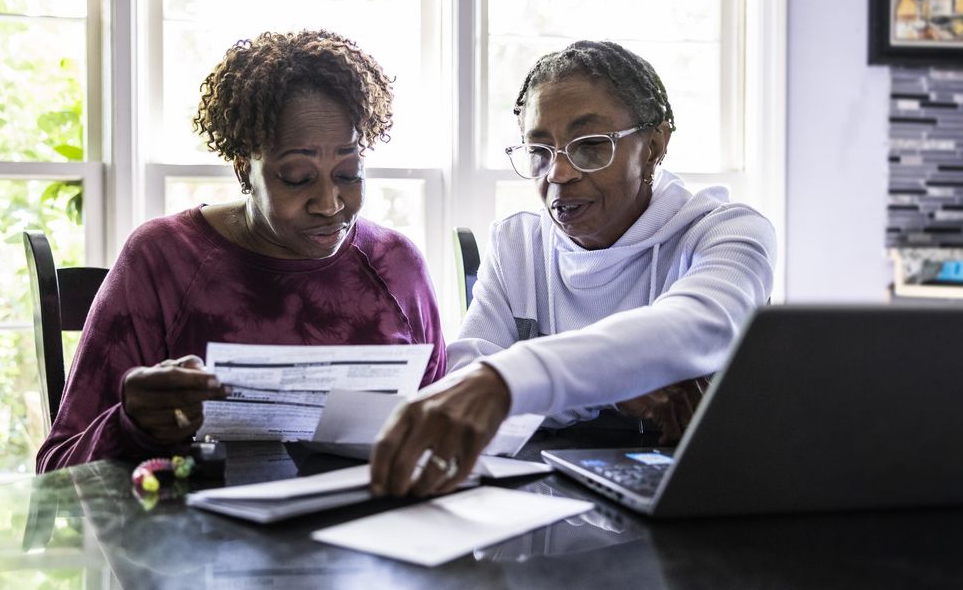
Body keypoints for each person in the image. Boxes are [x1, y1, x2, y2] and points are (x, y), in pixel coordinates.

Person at [370, 40, 775, 497]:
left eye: (589, 147)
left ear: (655, 146)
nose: (558, 174)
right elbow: (468, 376)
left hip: (699, 500)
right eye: (540, 150)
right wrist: (614, 381)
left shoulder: (729, 233)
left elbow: (696, 325)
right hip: (543, 505)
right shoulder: (517, 245)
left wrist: (513, 380)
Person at [39, 30, 447, 473]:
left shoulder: (396, 266)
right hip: (200, 536)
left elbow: (448, 441)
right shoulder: (162, 260)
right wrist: (131, 425)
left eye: (349, 172)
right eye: (296, 177)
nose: (330, 203)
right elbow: (57, 468)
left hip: (375, 533)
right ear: (243, 170)